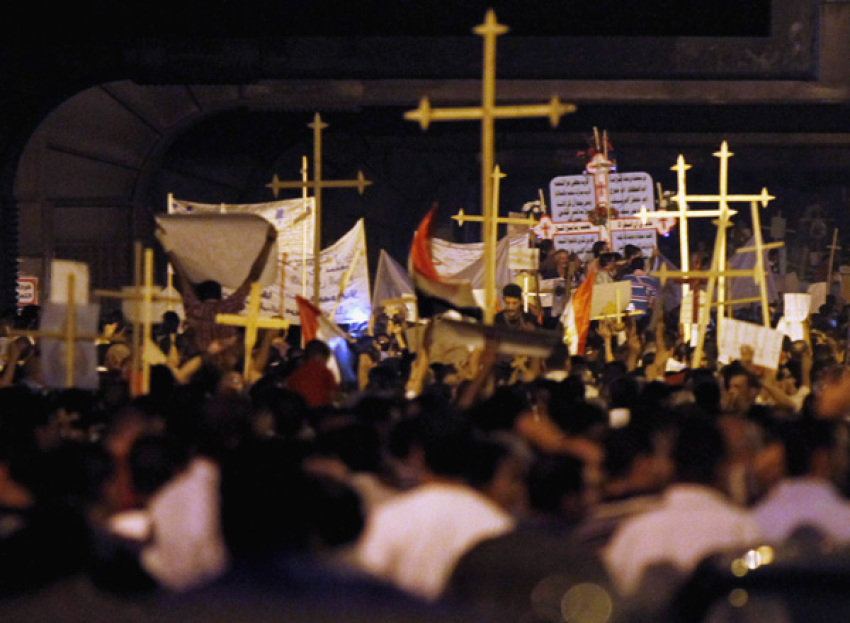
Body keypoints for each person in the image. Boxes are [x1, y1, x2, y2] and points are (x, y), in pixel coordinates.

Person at [160, 222, 278, 354]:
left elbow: (182, 277)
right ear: (220, 294)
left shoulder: (196, 309)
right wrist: (269, 241)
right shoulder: (229, 307)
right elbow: (253, 277)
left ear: (199, 294)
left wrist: (166, 244)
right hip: (228, 362)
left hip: (203, 364)